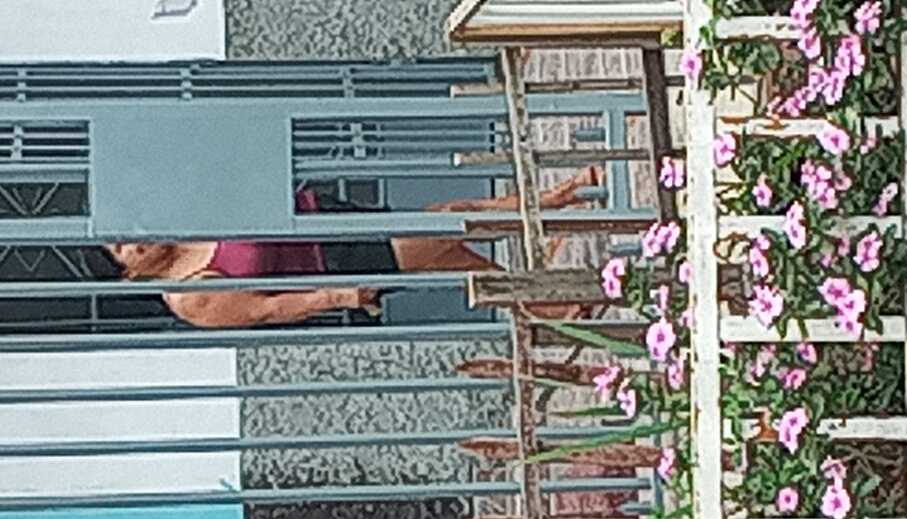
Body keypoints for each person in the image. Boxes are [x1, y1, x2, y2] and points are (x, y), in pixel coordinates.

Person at [107, 168, 602, 328]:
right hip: (334, 262)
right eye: (123, 247)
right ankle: (553, 204)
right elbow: (267, 309)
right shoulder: (191, 296)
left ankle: (557, 309)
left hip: (328, 218)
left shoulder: (185, 225)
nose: (136, 240)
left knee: (457, 261)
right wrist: (339, 297)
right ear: (128, 273)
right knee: (450, 219)